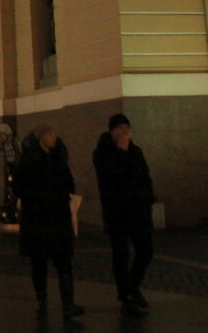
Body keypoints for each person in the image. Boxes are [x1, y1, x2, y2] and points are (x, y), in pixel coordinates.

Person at [13, 123, 84, 319]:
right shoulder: (28, 160)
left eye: (54, 133)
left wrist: (64, 195)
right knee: (39, 262)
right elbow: (18, 188)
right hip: (37, 218)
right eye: (50, 133)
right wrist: (38, 197)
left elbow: (69, 182)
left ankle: (68, 304)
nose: (54, 136)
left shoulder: (59, 158)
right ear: (41, 137)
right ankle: (41, 297)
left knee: (64, 261)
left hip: (58, 216)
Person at [93, 113, 155, 316]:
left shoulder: (136, 151)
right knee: (120, 255)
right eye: (119, 128)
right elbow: (110, 178)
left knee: (145, 251)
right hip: (117, 212)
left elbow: (145, 177)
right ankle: (125, 293)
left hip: (138, 211)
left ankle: (132, 286)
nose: (124, 132)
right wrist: (120, 153)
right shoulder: (102, 152)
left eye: (126, 128)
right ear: (111, 131)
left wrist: (149, 200)